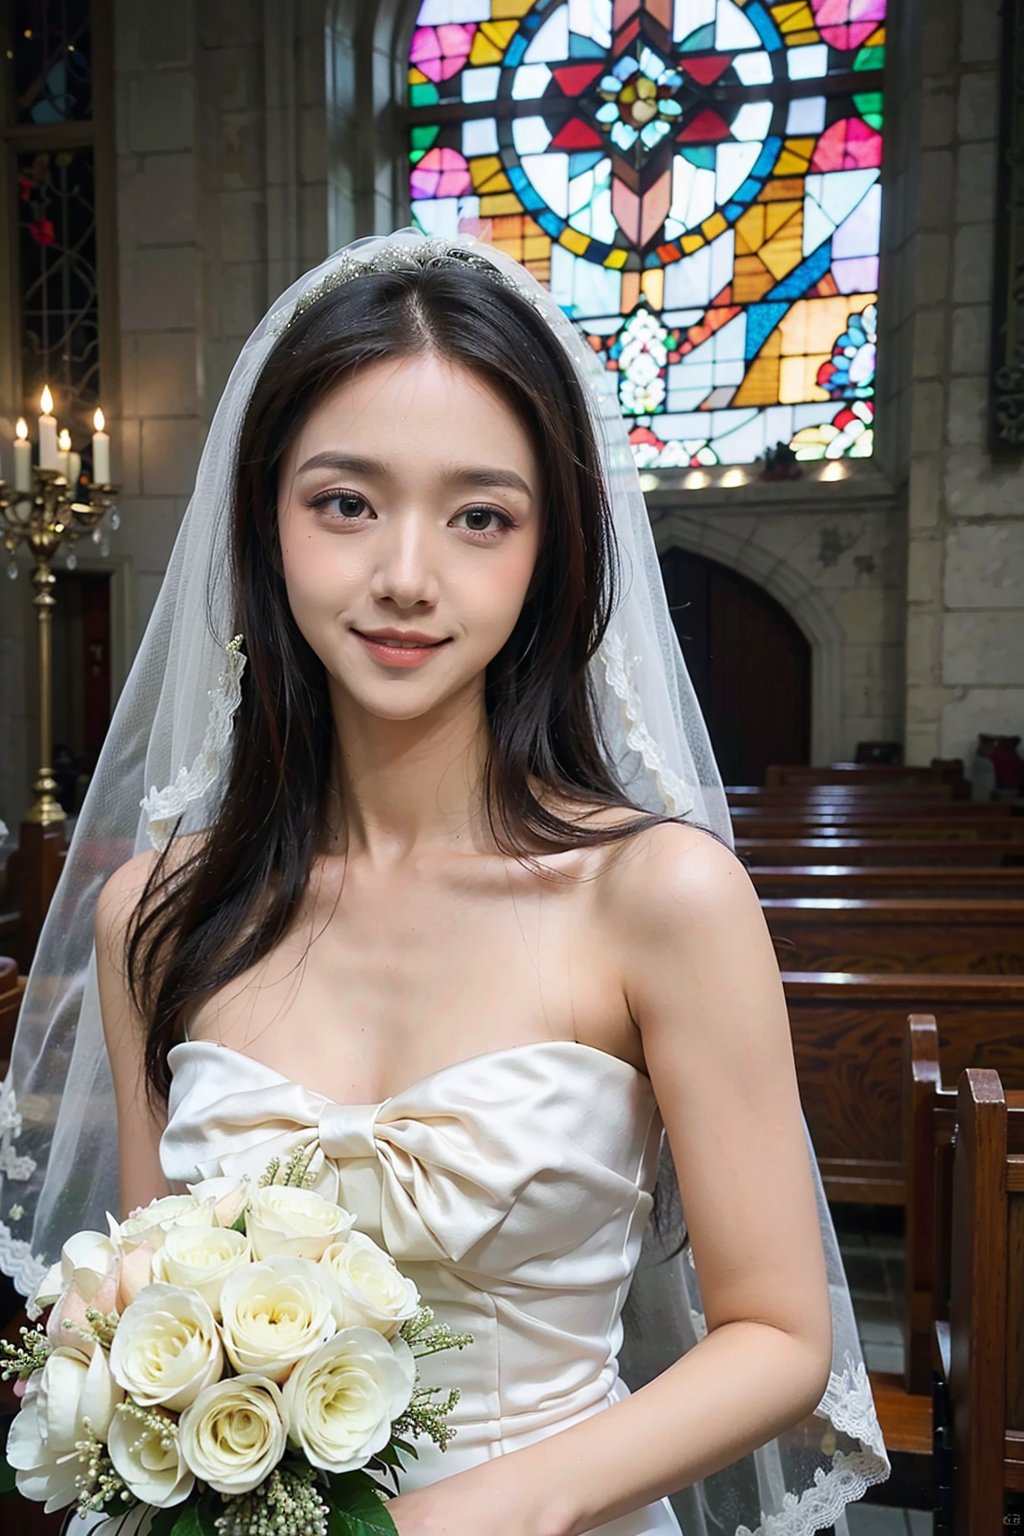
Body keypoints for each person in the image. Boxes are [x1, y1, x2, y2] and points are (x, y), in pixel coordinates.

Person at [0, 228, 888, 1535]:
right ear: (265, 522)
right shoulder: (162, 911)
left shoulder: (658, 898)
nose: (407, 577)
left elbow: (775, 1333)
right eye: (346, 502)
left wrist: (477, 1517)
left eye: (481, 516)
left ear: (552, 551)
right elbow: (146, 1285)